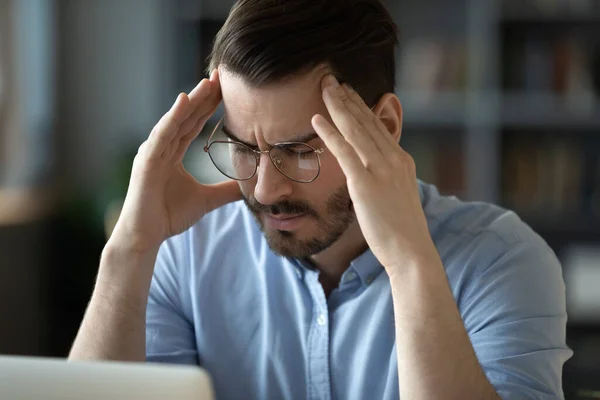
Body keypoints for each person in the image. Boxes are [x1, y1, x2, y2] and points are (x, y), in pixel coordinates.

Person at [69, 0, 573, 398]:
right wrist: (130, 249)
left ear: (385, 127)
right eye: (243, 149)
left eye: (297, 151)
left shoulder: (502, 260)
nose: (266, 190)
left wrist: (409, 261)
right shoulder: (184, 253)